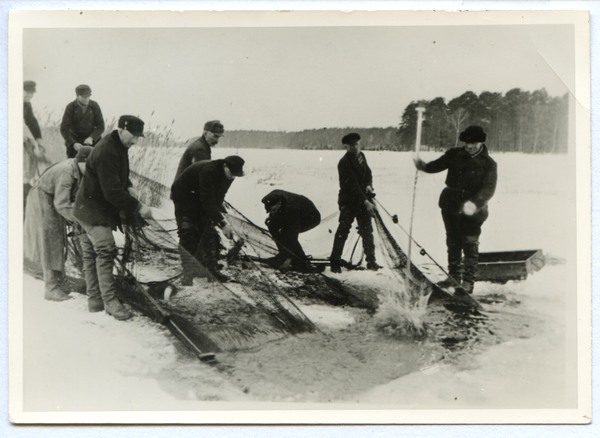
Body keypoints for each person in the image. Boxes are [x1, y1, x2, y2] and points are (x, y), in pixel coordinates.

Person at [74, 115, 154, 320]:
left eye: (138, 137)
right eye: (134, 135)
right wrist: (139, 206)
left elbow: (119, 175)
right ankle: (110, 302)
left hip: (89, 207)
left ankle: (95, 300)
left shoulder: (119, 146)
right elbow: (112, 193)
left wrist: (129, 185)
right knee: (106, 250)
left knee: (91, 253)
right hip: (92, 211)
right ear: (122, 129)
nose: (136, 141)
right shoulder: (107, 149)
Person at [413, 125, 498, 294]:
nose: (469, 146)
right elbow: (436, 166)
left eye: (473, 143)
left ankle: (467, 282)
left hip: (473, 210)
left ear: (481, 142)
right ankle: (453, 277)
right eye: (467, 142)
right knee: (453, 242)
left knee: (469, 244)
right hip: (450, 204)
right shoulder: (454, 154)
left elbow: (489, 188)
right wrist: (423, 166)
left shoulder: (489, 163)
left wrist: (474, 203)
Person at [24, 146, 94, 301]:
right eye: (89, 166)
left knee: (59, 240)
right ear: (81, 161)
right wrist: (79, 220)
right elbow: (62, 204)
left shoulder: (79, 169)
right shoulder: (67, 172)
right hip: (42, 198)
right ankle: (51, 288)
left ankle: (61, 282)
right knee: (50, 241)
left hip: (52, 199)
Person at [171, 155, 245, 284]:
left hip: (200, 198)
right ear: (225, 166)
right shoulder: (209, 171)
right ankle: (188, 273)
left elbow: (219, 196)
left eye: (235, 175)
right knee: (187, 232)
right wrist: (223, 224)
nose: (232, 177)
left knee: (208, 232)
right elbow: (207, 200)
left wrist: (217, 217)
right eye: (231, 173)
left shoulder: (229, 175)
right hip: (184, 197)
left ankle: (212, 270)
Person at [329, 133, 381, 273]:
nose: (355, 147)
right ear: (346, 146)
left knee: (367, 231)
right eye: (352, 145)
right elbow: (352, 186)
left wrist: (369, 185)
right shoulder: (344, 162)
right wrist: (366, 202)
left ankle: (371, 261)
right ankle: (335, 261)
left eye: (357, 144)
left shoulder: (362, 156)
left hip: (362, 200)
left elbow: (368, 173)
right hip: (349, 201)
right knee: (343, 230)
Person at [261, 190, 321, 272]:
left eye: (274, 210)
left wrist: (289, 259)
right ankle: (283, 254)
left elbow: (292, 234)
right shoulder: (272, 197)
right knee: (272, 225)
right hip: (289, 212)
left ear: (279, 203)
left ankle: (301, 261)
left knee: (287, 234)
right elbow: (274, 209)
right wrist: (272, 215)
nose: (273, 212)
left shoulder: (291, 207)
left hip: (309, 217)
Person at [60, 84, 105, 158]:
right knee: (73, 167)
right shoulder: (70, 107)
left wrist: (91, 138)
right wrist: (73, 143)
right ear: (78, 96)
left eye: (88, 96)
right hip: (75, 144)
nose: (87, 99)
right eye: (84, 97)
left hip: (92, 143)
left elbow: (101, 126)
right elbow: (64, 128)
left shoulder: (95, 106)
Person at [23, 80, 48, 214]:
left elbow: (32, 121)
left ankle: (29, 184)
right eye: (27, 92)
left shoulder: (26, 104)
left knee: (31, 155)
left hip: (22, 139)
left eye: (32, 93)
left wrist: (38, 140)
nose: (29, 96)